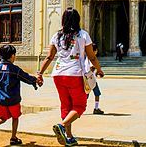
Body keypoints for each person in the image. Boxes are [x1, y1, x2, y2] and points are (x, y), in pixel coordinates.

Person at [37, 8, 104, 147]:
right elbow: (91, 56)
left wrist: (40, 73)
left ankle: (69, 136)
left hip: (58, 74)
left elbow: (50, 57)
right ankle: (62, 126)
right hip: (75, 74)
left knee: (66, 105)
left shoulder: (56, 36)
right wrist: (99, 69)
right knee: (79, 106)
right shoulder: (83, 35)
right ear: (77, 19)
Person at [0, 44, 41, 146]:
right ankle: (13, 137)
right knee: (15, 117)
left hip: (1, 98)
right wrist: (35, 80)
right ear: (12, 56)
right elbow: (26, 78)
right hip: (13, 99)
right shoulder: (14, 69)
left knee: (2, 117)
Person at [85, 43, 104, 115]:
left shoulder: (86, 57)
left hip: (88, 79)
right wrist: (98, 69)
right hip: (90, 80)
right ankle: (96, 108)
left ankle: (78, 107)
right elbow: (91, 68)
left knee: (87, 95)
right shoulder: (91, 58)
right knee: (96, 93)